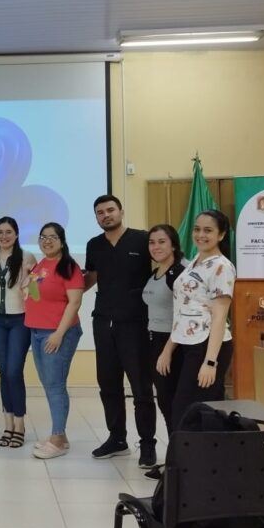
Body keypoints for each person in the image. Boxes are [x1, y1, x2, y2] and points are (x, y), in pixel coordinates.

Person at [84, 194, 157, 467]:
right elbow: (90, 278)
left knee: (141, 388)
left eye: (110, 210)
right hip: (103, 323)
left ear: (121, 211)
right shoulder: (94, 245)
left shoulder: (143, 240)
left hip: (136, 324)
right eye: (100, 212)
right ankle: (117, 439)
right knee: (108, 385)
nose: (106, 215)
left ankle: (147, 444)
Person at [160, 210, 235, 429]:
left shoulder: (222, 267)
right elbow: (184, 310)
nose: (201, 235)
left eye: (208, 230)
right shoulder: (195, 261)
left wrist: (210, 362)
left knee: (189, 413)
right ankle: (193, 453)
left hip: (208, 345)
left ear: (221, 235)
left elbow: (219, 317)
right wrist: (168, 348)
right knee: (191, 412)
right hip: (189, 343)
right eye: (197, 229)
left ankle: (193, 452)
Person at [25, 222, 85, 459]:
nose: (47, 241)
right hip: (37, 331)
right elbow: (34, 295)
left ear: (62, 241)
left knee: (55, 384)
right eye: (43, 237)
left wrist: (59, 333)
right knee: (49, 383)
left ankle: (58, 439)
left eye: (52, 237)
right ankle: (60, 435)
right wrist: (26, 281)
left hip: (58, 333)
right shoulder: (41, 265)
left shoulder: (69, 266)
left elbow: (75, 302)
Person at [0, 216, 36, 447]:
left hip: (19, 320)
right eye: (0, 232)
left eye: (8, 232)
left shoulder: (27, 257)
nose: (4, 236)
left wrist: (31, 281)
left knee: (14, 371)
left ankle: (20, 425)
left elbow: (36, 295)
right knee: (3, 371)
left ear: (17, 234)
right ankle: (8, 424)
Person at [142, 224, 185, 438]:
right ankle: (175, 450)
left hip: (174, 345)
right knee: (165, 401)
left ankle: (181, 450)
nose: (156, 247)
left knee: (174, 402)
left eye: (161, 242)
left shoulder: (180, 273)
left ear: (173, 245)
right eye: (152, 242)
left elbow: (183, 316)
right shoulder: (156, 272)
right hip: (154, 341)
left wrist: (167, 351)